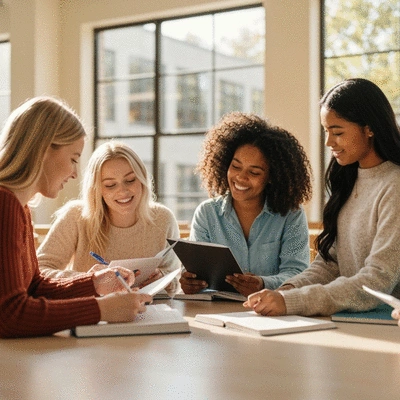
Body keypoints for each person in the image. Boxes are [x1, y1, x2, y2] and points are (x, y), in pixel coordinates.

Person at [244, 78, 400, 316]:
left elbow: (377, 280)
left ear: (369, 128)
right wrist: (287, 291)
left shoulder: (394, 185)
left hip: (384, 328)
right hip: (348, 321)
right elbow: (330, 264)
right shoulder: (348, 180)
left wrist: (293, 301)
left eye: (337, 132)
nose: (328, 142)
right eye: (326, 131)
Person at [0, 96, 152, 338]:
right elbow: (8, 315)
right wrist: (101, 309)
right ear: (43, 149)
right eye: (73, 159)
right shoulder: (4, 204)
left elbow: (35, 288)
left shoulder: (20, 207)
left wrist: (94, 283)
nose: (74, 173)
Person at [179, 112, 313, 297]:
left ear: (272, 177)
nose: (241, 177)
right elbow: (197, 273)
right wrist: (190, 283)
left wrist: (263, 284)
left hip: (271, 315)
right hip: (217, 314)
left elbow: (298, 274)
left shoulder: (291, 215)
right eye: (235, 166)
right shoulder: (207, 213)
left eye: (255, 172)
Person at [37, 141, 181, 295]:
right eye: (110, 185)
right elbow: (39, 271)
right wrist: (90, 280)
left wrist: (162, 279)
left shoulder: (163, 219)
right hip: (94, 311)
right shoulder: (76, 217)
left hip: (150, 310)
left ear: (142, 180)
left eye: (130, 180)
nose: (123, 191)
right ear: (97, 190)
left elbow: (175, 280)